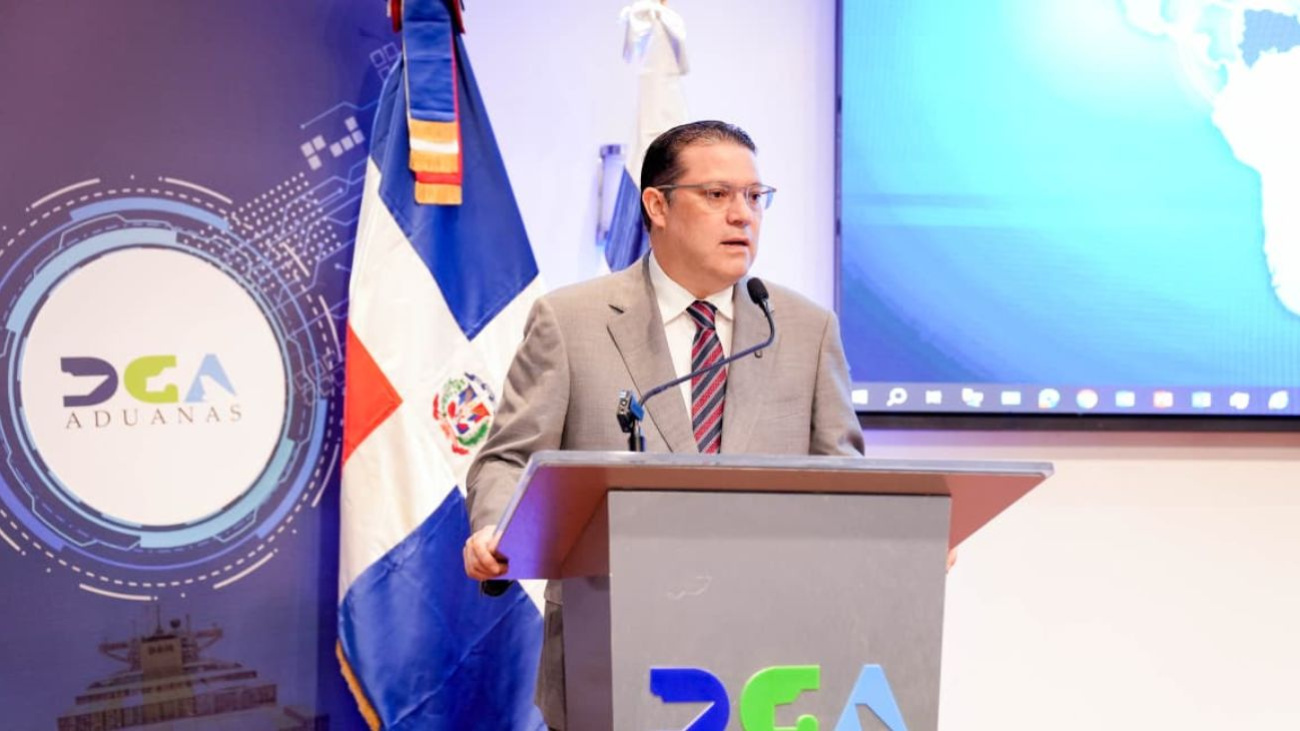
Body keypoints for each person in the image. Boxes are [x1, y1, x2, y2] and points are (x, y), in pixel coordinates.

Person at [462, 120, 864, 729]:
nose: (743, 214)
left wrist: (900, 533)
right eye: (717, 194)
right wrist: (496, 527)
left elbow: (845, 478)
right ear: (657, 206)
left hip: (769, 662)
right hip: (611, 648)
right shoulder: (571, 321)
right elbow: (509, 457)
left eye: (755, 196)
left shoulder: (804, 328)